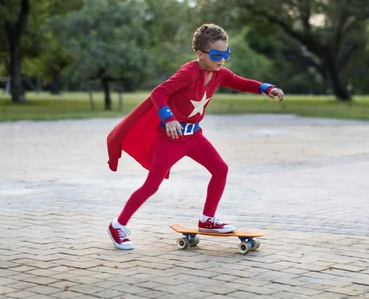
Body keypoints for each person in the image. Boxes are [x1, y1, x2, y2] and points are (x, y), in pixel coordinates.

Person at [105, 23, 284, 250]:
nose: (223, 59)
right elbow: (158, 92)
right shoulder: (189, 73)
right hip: (172, 139)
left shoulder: (219, 73)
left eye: (226, 53)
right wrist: (168, 118)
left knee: (220, 169)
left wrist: (267, 88)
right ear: (200, 54)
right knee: (151, 185)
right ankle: (117, 225)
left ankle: (208, 219)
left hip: (194, 137)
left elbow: (242, 83)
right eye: (218, 54)